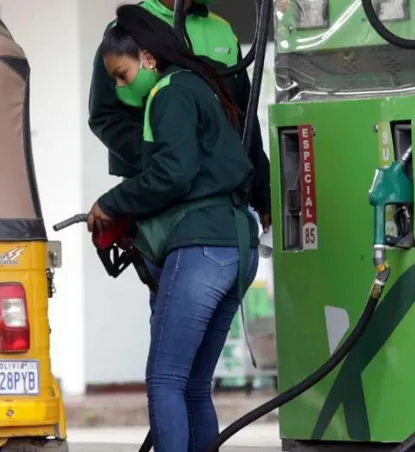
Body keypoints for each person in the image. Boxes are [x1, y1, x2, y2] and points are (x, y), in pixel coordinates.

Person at [86, 5, 264, 451]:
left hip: (201, 245)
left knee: (165, 379)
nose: (121, 87)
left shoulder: (169, 93)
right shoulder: (198, 86)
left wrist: (112, 201)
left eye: (123, 75)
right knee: (193, 386)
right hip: (237, 247)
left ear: (147, 57)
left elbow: (173, 174)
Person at [87, 0, 271, 230]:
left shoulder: (222, 30)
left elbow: (243, 113)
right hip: (162, 200)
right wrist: (160, 165)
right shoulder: (128, 29)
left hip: (221, 197)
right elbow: (106, 116)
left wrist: (263, 189)